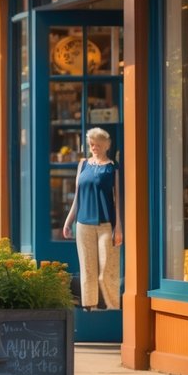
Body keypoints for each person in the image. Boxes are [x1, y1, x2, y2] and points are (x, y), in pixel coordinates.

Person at [62, 127, 123, 311]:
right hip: (83, 224)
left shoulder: (112, 167)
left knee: (107, 270)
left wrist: (118, 226)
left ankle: (113, 308)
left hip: (106, 224)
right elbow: (78, 197)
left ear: (106, 145)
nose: (94, 147)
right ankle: (91, 308)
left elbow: (118, 199)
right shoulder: (83, 165)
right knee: (87, 270)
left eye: (97, 144)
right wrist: (68, 221)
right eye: (91, 144)